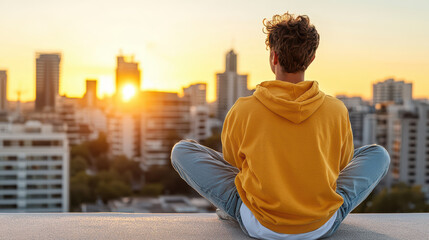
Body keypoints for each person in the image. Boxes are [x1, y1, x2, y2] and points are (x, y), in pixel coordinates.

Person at [170, 12, 390, 239]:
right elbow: (341, 165)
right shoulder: (336, 109)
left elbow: (234, 164)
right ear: (311, 58)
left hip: (259, 223)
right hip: (320, 225)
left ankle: (234, 211)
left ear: (273, 57)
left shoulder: (243, 109)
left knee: (181, 151)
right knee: (378, 154)